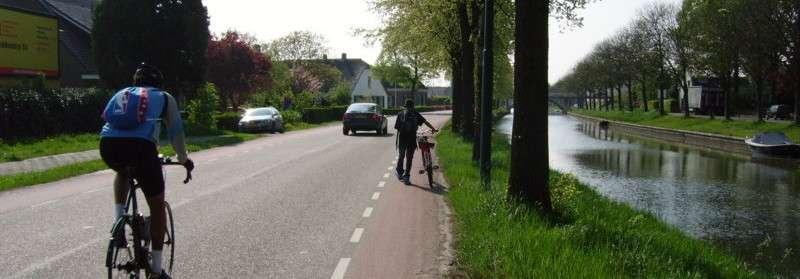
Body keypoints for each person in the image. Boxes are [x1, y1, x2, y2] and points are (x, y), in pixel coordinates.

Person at [99, 63, 193, 279]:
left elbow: (109, 122)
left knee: (122, 172)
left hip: (107, 146)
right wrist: (183, 159)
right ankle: (157, 270)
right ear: (158, 83)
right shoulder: (164, 97)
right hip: (141, 148)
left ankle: (118, 221)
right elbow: (176, 132)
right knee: (158, 207)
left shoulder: (121, 93)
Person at [395, 99, 438, 185]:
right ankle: (407, 176)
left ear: (405, 106)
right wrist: (433, 129)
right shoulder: (415, 113)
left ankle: (400, 173)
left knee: (402, 155)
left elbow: (397, 127)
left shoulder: (400, 114)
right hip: (412, 139)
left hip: (402, 139)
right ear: (413, 106)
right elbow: (426, 122)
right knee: (409, 158)